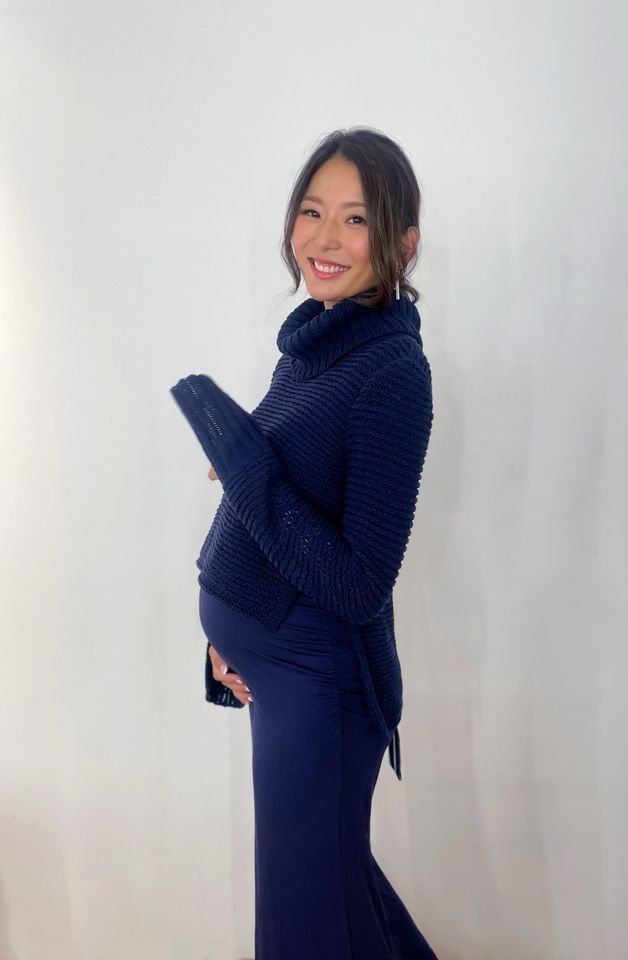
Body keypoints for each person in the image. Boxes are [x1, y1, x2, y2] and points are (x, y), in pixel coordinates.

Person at [170, 126, 438, 960]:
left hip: (323, 689)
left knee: (309, 926)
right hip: (282, 677)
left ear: (403, 243)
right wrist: (226, 637)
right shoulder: (315, 344)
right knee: (331, 902)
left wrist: (243, 463)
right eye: (312, 211)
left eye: (356, 220)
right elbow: (272, 514)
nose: (324, 237)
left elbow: (359, 581)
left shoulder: (391, 373)